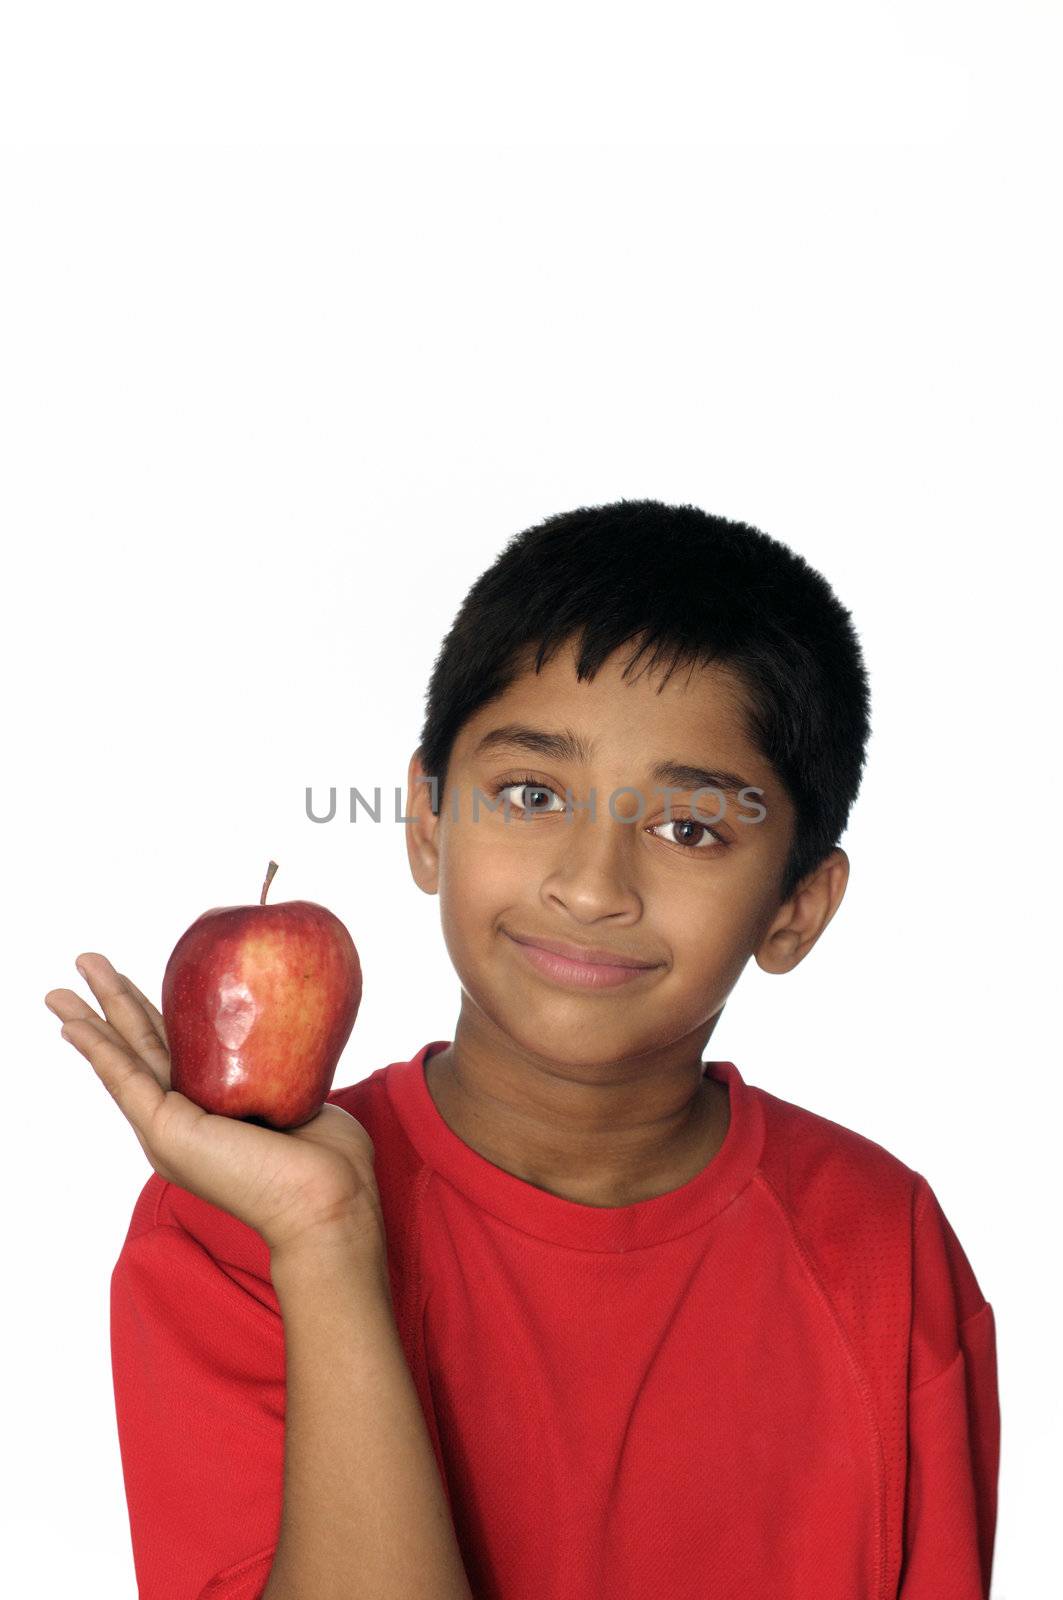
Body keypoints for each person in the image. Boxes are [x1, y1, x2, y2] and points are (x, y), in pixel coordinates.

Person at [45, 499, 999, 1600]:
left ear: (796, 906)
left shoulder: (886, 1248)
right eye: (532, 793)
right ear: (427, 821)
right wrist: (324, 1244)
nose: (590, 885)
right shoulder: (233, 1225)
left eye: (689, 827)